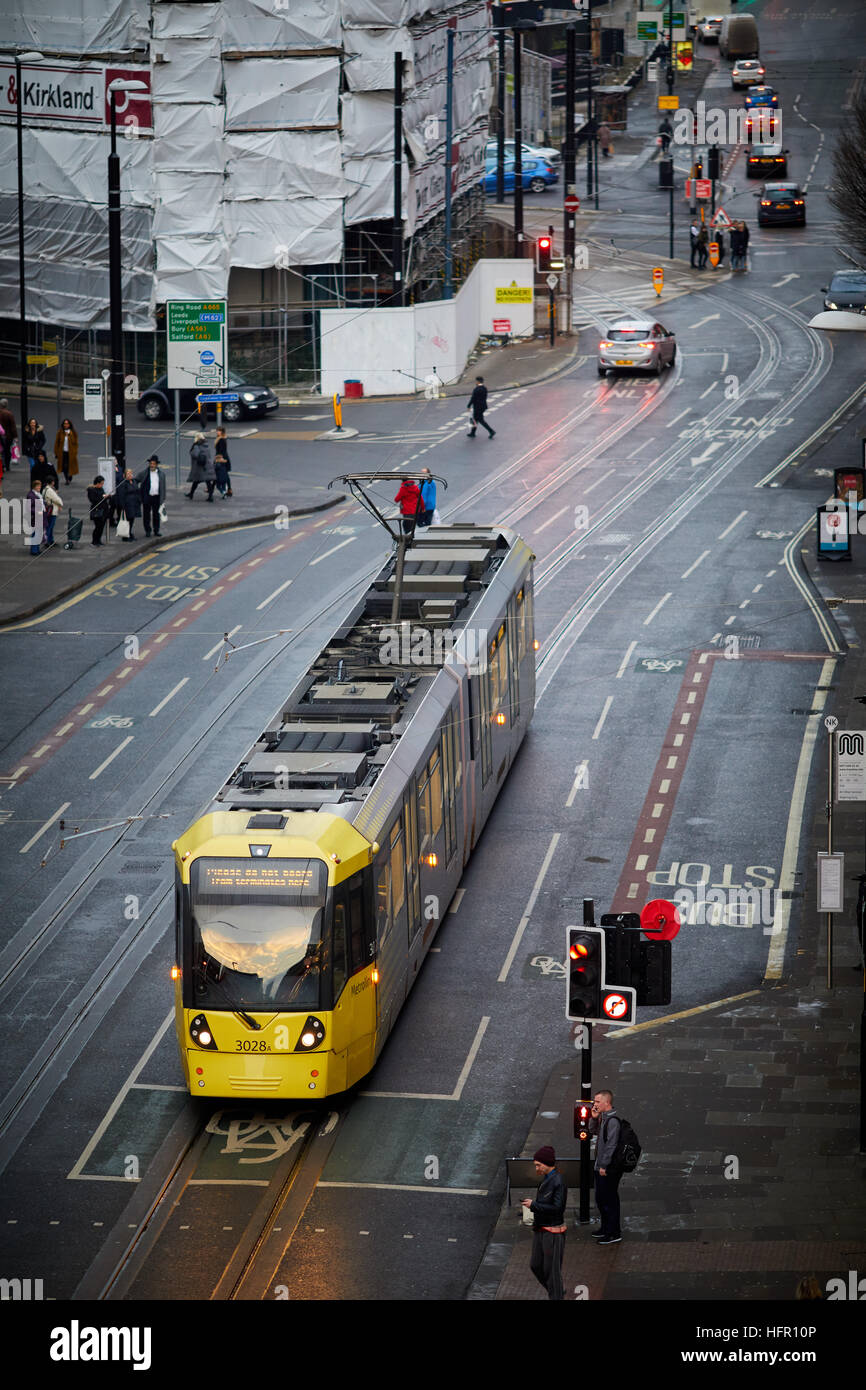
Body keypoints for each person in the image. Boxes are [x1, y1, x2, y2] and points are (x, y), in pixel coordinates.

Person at [521, 1145, 567, 1300]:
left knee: (551, 1271)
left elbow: (558, 1208)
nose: (536, 1169)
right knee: (536, 1265)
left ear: (547, 1163)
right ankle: (557, 1292)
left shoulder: (558, 1181)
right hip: (541, 1229)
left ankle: (557, 1294)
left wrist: (534, 1205)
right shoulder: (548, 1179)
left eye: (538, 1165)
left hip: (553, 1232)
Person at [592, 1090, 623, 1245]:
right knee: (601, 1198)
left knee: (609, 1200)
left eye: (597, 1102)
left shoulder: (613, 1122)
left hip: (607, 1169)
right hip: (600, 1166)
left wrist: (604, 1165)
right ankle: (605, 1228)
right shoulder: (603, 1119)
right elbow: (592, 1132)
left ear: (607, 1103)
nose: (595, 1104)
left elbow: (611, 1145)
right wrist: (594, 1118)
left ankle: (614, 1232)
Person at [138, 455, 166, 537]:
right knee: (146, 515)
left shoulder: (161, 474)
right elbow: (136, 480)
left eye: (153, 464)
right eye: (151, 463)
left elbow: (163, 487)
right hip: (147, 497)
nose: (152, 465)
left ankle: (156, 530)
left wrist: (163, 498)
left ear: (157, 464)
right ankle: (147, 530)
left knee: (156, 515)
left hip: (156, 497)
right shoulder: (144, 473)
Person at [115, 467, 142, 541]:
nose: (130, 475)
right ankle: (126, 536)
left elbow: (137, 490)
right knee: (128, 520)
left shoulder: (134, 481)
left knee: (132, 520)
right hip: (127, 505)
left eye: (130, 473)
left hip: (134, 504)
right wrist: (123, 506)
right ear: (125, 475)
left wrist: (139, 500)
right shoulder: (123, 483)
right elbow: (121, 495)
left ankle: (129, 533)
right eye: (128, 474)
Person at [186, 432, 215, 500]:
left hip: (200, 467)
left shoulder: (196, 446)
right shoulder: (206, 445)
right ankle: (210, 496)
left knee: (196, 481)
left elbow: (195, 454)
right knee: (207, 481)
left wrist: (192, 451)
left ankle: (191, 494)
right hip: (207, 465)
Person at [86, 475, 111, 546]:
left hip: (103, 510)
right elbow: (93, 500)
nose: (102, 485)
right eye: (101, 483)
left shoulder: (101, 489)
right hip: (97, 511)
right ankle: (94, 541)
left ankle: (98, 540)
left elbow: (103, 497)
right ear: (97, 483)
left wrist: (107, 497)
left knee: (101, 527)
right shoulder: (91, 490)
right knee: (97, 527)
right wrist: (102, 497)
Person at [41, 477, 64, 548]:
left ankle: (51, 540)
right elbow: (56, 499)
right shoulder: (50, 490)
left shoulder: (44, 489)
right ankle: (47, 541)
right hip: (52, 511)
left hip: (47, 510)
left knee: (50, 526)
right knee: (50, 526)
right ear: (52, 482)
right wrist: (61, 504)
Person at [26, 477, 44, 555]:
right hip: (35, 517)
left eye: (40, 486)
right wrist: (37, 512)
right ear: (34, 486)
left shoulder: (37, 494)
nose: (39, 487)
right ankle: (34, 550)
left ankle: (36, 548)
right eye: (38, 486)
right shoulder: (31, 495)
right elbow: (29, 508)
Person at [214, 426, 232, 497]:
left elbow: (221, 451)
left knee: (219, 474)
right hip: (223, 458)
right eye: (217, 430)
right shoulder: (222, 438)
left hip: (221, 459)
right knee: (225, 474)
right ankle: (229, 489)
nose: (217, 432)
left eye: (218, 431)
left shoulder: (221, 440)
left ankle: (211, 488)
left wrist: (218, 459)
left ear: (222, 432)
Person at [0, 398, 17, 474]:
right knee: (7, 451)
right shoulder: (9, 414)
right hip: (8, 436)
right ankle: (7, 466)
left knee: (1, 451)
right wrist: (15, 436)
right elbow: (13, 426)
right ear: (6, 405)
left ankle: (2, 465)